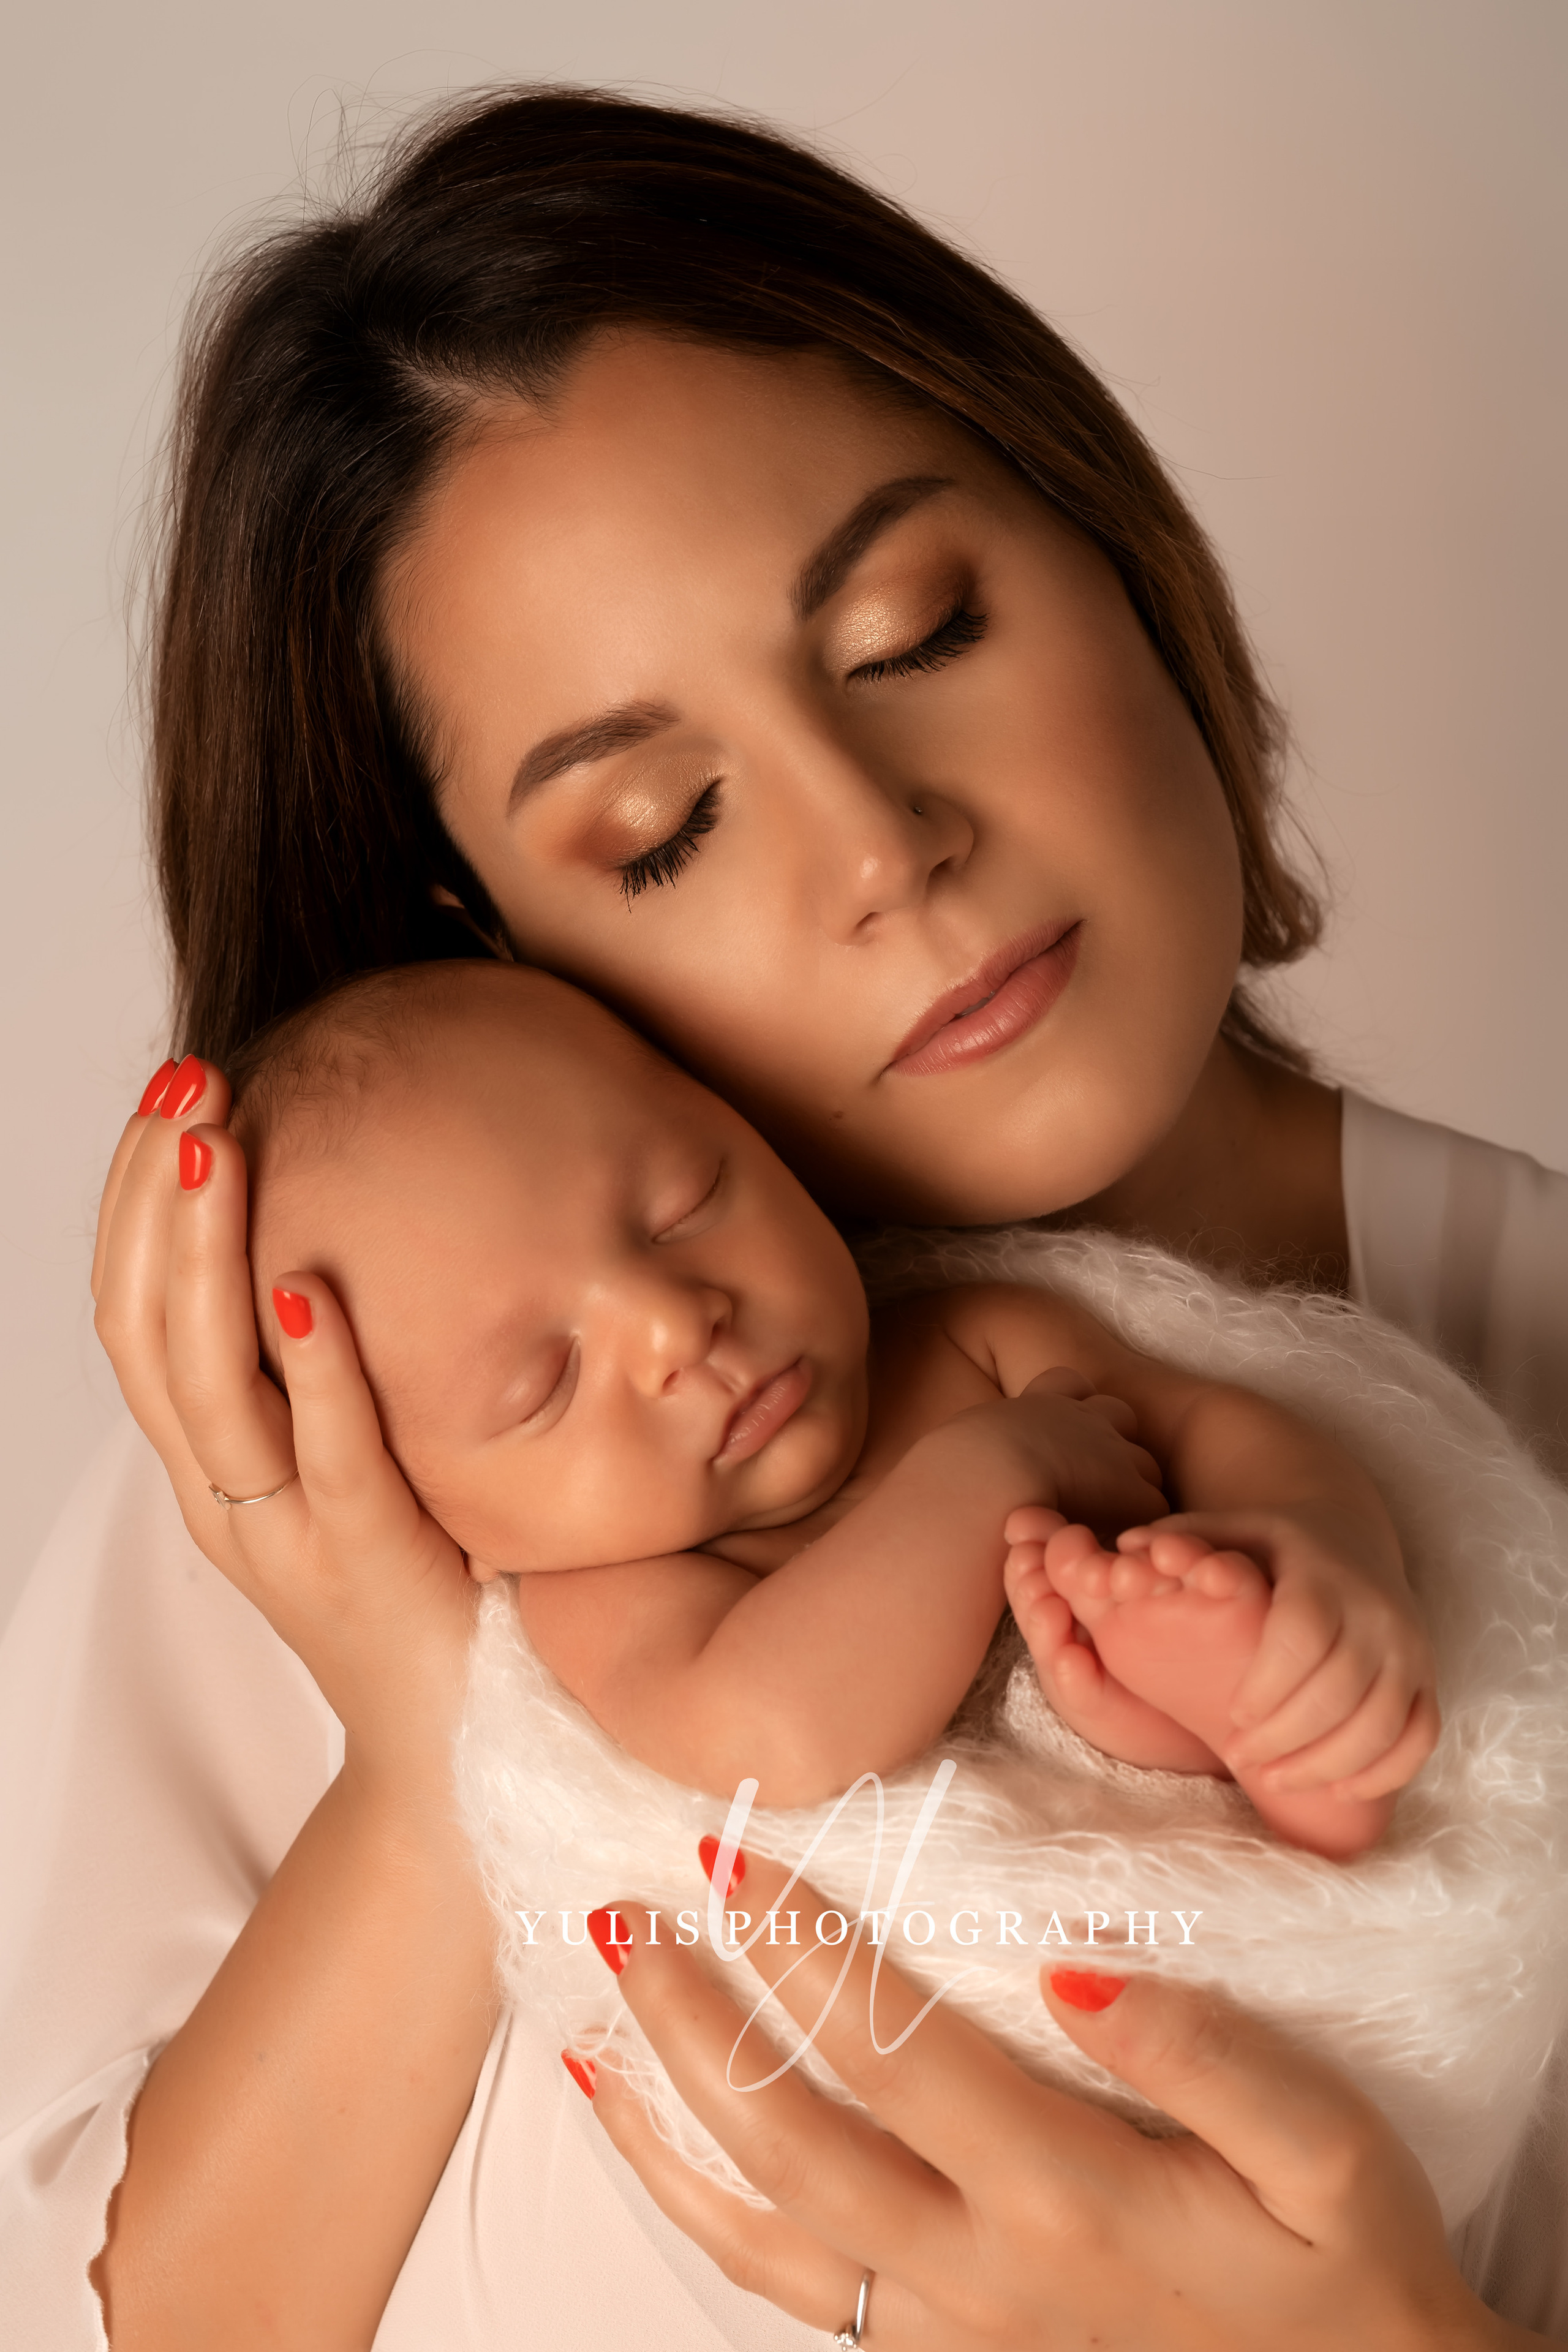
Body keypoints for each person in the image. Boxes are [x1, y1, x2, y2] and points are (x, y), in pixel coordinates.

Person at [3, 81, 1565, 2351]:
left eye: (919, 625)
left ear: (1105, 538)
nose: (877, 843)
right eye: (657, 829)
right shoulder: (349, 1452)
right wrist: (438, 1726)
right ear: (487, 937)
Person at [230, 955, 1431, 1854]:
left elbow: (1216, 1424)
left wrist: (1317, 1550)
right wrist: (981, 1479)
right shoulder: (605, 1601)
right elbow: (773, 1739)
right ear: (450, 1525)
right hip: (939, 1990)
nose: (673, 1321)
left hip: (1181, 1862)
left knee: (1205, 1612)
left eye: (684, 1203)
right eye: (545, 1381)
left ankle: (1276, 1729)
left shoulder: (970, 1333)